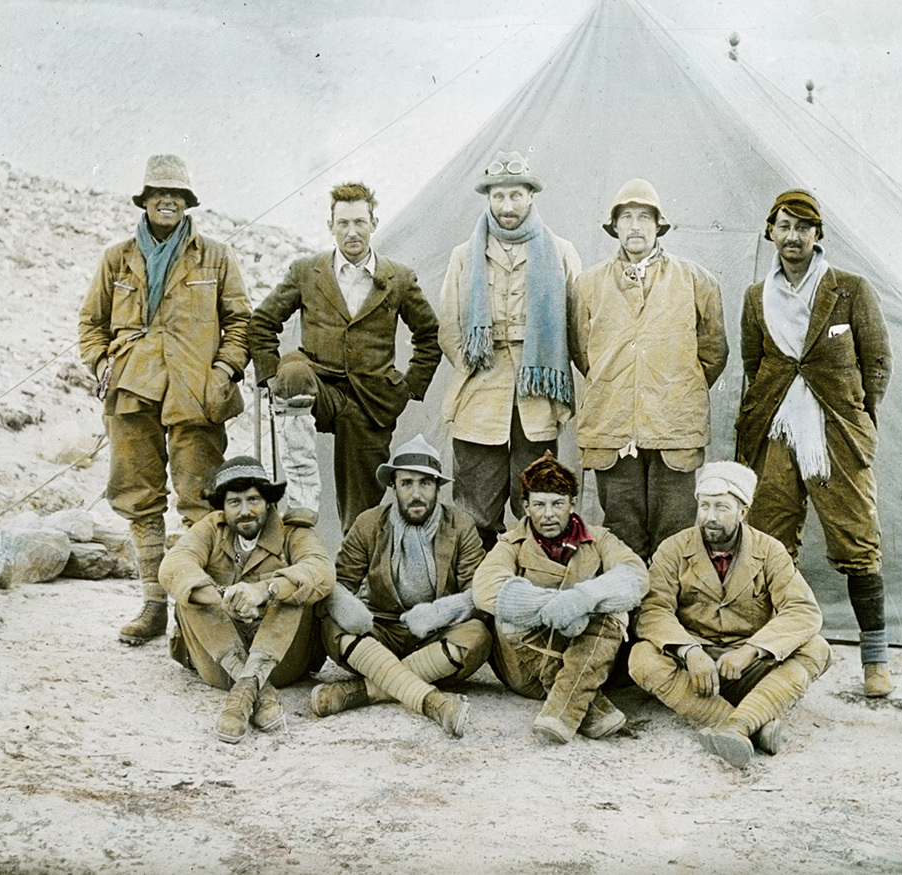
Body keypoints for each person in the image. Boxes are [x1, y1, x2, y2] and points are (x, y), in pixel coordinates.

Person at [78, 154, 251, 645]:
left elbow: (240, 322)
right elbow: (90, 324)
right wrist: (101, 364)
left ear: (187, 202)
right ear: (146, 201)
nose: (167, 201)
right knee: (139, 498)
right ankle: (154, 606)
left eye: (176, 194)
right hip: (132, 390)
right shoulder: (117, 258)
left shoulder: (214, 256)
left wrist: (222, 371)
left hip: (197, 393)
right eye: (158, 194)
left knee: (200, 500)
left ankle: (194, 614)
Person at [735, 189, 893, 697]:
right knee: (770, 541)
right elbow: (754, 365)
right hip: (776, 431)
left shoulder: (849, 289)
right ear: (770, 233)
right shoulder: (756, 296)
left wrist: (857, 417)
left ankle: (876, 662)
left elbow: (878, 362)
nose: (792, 237)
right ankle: (777, 652)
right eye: (783, 226)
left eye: (803, 227)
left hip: (836, 433)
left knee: (857, 537)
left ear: (817, 235)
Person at [248, 182, 441, 534]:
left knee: (362, 509)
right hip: (317, 385)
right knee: (292, 373)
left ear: (373, 223)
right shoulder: (307, 271)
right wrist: (269, 379)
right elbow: (262, 322)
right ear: (330, 226)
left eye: (359, 222)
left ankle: (358, 576)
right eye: (343, 223)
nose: (352, 232)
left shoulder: (398, 278)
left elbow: (429, 334)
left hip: (371, 400)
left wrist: (409, 386)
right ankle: (303, 496)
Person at [629, 461, 832, 769]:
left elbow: (802, 610)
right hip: (696, 669)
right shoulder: (673, 549)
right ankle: (747, 724)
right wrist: (689, 651)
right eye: (705, 506)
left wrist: (751, 651)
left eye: (722, 507)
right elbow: (654, 610)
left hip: (749, 666)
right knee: (641, 657)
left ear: (743, 511)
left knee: (817, 648)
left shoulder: (770, 551)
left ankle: (738, 726)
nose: (710, 517)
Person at [573, 178, 728, 564]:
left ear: (659, 225)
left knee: (673, 531)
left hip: (673, 425)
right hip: (612, 423)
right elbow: (582, 353)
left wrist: (673, 387)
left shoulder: (696, 280)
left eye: (645, 216)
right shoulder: (588, 285)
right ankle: (627, 618)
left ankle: (665, 616)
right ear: (615, 227)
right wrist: (620, 386)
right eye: (627, 217)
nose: (636, 226)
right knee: (621, 529)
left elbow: (713, 352)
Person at [439, 150, 582, 551]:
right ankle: (474, 586)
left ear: (531, 196)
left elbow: (576, 326)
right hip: (480, 392)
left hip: (537, 392)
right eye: (498, 197)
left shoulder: (561, 252)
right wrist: (476, 363)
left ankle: (533, 576)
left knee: (537, 499)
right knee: (474, 506)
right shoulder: (465, 255)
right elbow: (449, 327)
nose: (507, 206)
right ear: (487, 198)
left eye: (515, 196)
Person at [310, 435, 491, 737]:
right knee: (333, 626)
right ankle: (434, 702)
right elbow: (340, 584)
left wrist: (440, 612)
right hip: (381, 631)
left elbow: (479, 592)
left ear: (438, 487)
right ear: (393, 486)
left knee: (478, 636)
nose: (416, 494)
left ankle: (362, 690)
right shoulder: (369, 523)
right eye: (407, 483)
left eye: (426, 483)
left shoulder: (460, 525)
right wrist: (351, 611)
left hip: (436, 635)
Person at [472, 453, 647, 743]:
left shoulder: (600, 539)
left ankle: (561, 714)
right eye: (539, 505)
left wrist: (582, 599)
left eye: (557, 503)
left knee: (612, 617)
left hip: (585, 652)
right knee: (510, 614)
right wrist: (552, 606)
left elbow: (635, 576)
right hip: (527, 667)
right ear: (526, 507)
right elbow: (485, 588)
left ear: (572, 504)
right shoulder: (511, 543)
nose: (548, 514)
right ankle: (589, 708)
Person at [158, 457, 334, 744]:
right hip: (220, 661)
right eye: (234, 502)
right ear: (223, 508)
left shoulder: (293, 532)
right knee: (189, 594)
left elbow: (321, 570)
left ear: (268, 502)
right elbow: (174, 564)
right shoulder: (211, 529)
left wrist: (264, 591)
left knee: (295, 591)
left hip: (282, 662)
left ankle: (241, 697)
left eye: (253, 499)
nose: (245, 511)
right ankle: (255, 690)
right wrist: (222, 596)